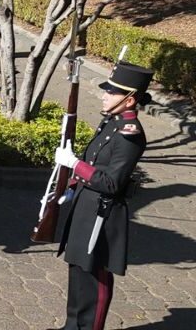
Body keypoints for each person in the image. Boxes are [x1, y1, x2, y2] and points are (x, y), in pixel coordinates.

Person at [53, 62, 153, 330]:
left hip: (103, 214)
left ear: (130, 99)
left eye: (112, 92)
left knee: (95, 278)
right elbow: (93, 160)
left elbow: (111, 182)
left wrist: (74, 165)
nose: (104, 95)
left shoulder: (129, 135)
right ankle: (72, 326)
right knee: (78, 271)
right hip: (86, 205)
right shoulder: (111, 122)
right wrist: (70, 186)